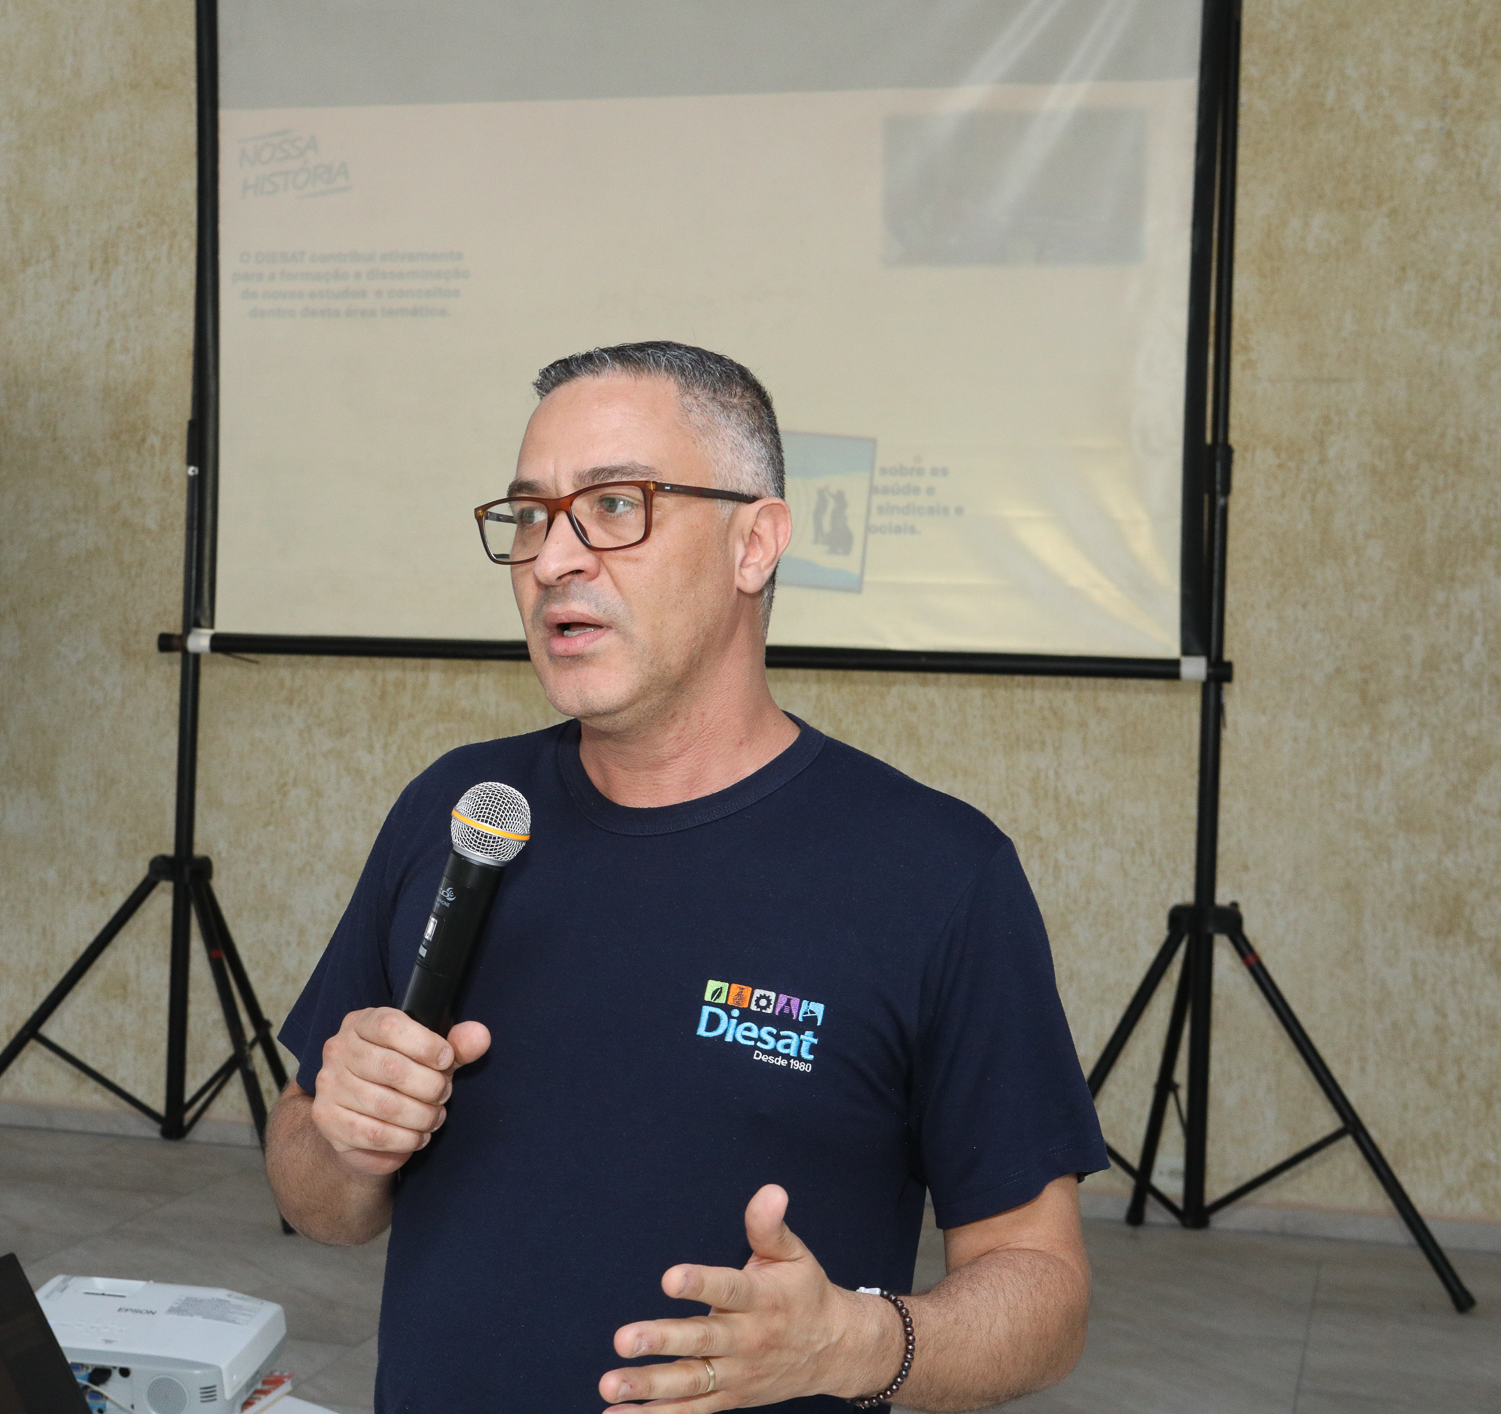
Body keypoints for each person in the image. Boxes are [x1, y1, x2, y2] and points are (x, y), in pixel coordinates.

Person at [266, 341, 1106, 1412]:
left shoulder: (938, 873)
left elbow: (1047, 1293)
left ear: (756, 542)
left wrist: (857, 1342)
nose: (556, 558)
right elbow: (318, 1200)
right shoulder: (463, 813)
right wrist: (338, 1137)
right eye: (530, 517)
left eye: (616, 506)